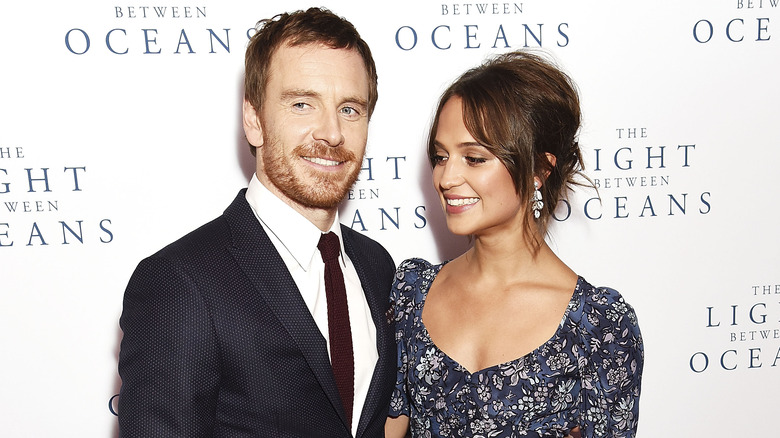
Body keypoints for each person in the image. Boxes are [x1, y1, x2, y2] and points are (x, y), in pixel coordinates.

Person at [117, 8, 396, 438]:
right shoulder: (180, 281)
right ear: (254, 119)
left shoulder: (377, 266)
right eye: (302, 104)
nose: (332, 133)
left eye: (350, 109)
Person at [385, 51, 644, 438]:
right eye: (441, 156)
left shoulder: (600, 328)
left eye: (473, 158)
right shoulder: (412, 289)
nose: (447, 177)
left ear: (540, 168)